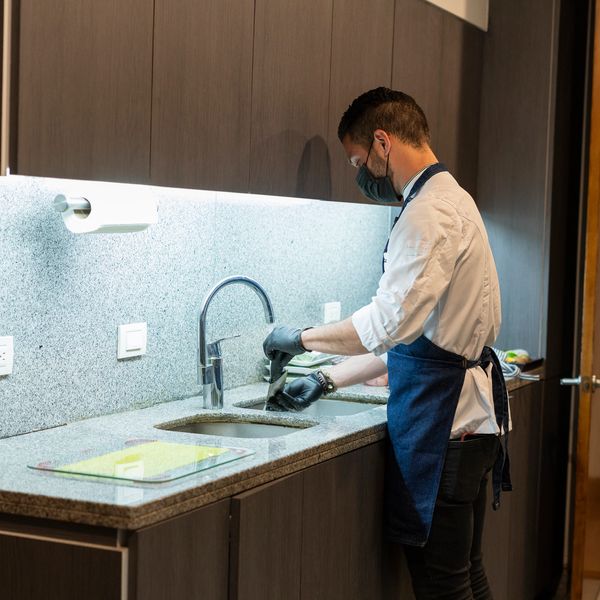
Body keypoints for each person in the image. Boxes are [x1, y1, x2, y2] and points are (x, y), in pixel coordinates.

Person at [262, 87, 511, 600]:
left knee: (445, 588)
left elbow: (384, 326)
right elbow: (415, 341)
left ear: (382, 142)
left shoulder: (427, 213)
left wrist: (300, 338)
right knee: (466, 578)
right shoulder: (454, 198)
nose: (362, 176)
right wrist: (326, 378)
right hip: (471, 424)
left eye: (358, 161)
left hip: (446, 429)